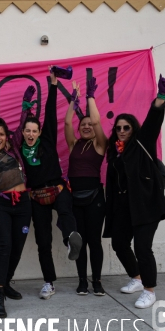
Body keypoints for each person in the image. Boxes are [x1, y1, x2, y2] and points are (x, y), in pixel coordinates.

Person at [104, 75, 165, 309]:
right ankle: (136, 277)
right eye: (118, 128)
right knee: (119, 244)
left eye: (126, 127)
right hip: (124, 207)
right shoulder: (114, 152)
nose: (122, 131)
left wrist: (161, 98)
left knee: (142, 247)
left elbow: (153, 121)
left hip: (145, 205)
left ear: (133, 129)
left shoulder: (142, 143)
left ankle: (149, 290)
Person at [20, 69, 82, 300]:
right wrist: (25, 109)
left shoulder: (46, 139)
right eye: (28, 130)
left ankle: (69, 240)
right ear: (24, 132)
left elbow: (49, 111)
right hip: (36, 196)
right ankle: (49, 283)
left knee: (66, 210)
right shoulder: (19, 147)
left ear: (39, 132)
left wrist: (53, 85)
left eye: (34, 130)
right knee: (42, 240)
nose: (31, 133)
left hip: (57, 187)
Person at [0, 87, 35, 318]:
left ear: (7, 136)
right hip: (1, 204)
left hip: (23, 204)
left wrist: (26, 105)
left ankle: (7, 281)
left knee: (17, 246)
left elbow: (22, 130)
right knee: (5, 245)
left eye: (2, 134)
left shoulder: (14, 148)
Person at [64, 78, 108, 296]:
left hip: (94, 198)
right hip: (75, 198)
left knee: (94, 241)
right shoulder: (74, 145)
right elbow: (66, 124)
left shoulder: (100, 145)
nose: (87, 126)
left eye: (90, 124)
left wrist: (90, 97)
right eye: (83, 125)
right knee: (78, 242)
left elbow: (98, 123)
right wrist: (74, 101)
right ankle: (82, 281)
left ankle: (97, 281)